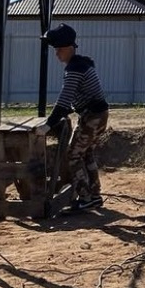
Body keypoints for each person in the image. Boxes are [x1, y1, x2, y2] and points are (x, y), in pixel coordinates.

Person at [42, 24, 110, 212]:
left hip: (93, 117)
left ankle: (86, 198)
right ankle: (94, 196)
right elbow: (72, 99)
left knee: (73, 155)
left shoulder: (75, 69)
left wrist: (48, 125)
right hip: (97, 115)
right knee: (85, 153)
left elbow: (64, 100)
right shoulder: (81, 64)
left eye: (59, 49)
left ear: (69, 48)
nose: (57, 54)